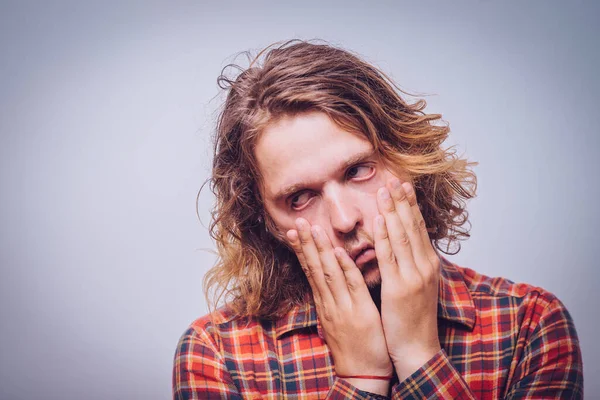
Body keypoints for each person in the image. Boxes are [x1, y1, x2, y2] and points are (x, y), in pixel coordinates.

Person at [172, 40, 583, 399]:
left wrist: (420, 357)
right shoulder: (218, 353)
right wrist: (360, 381)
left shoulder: (530, 325)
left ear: (407, 157)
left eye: (358, 171)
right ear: (267, 223)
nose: (345, 220)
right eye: (300, 198)